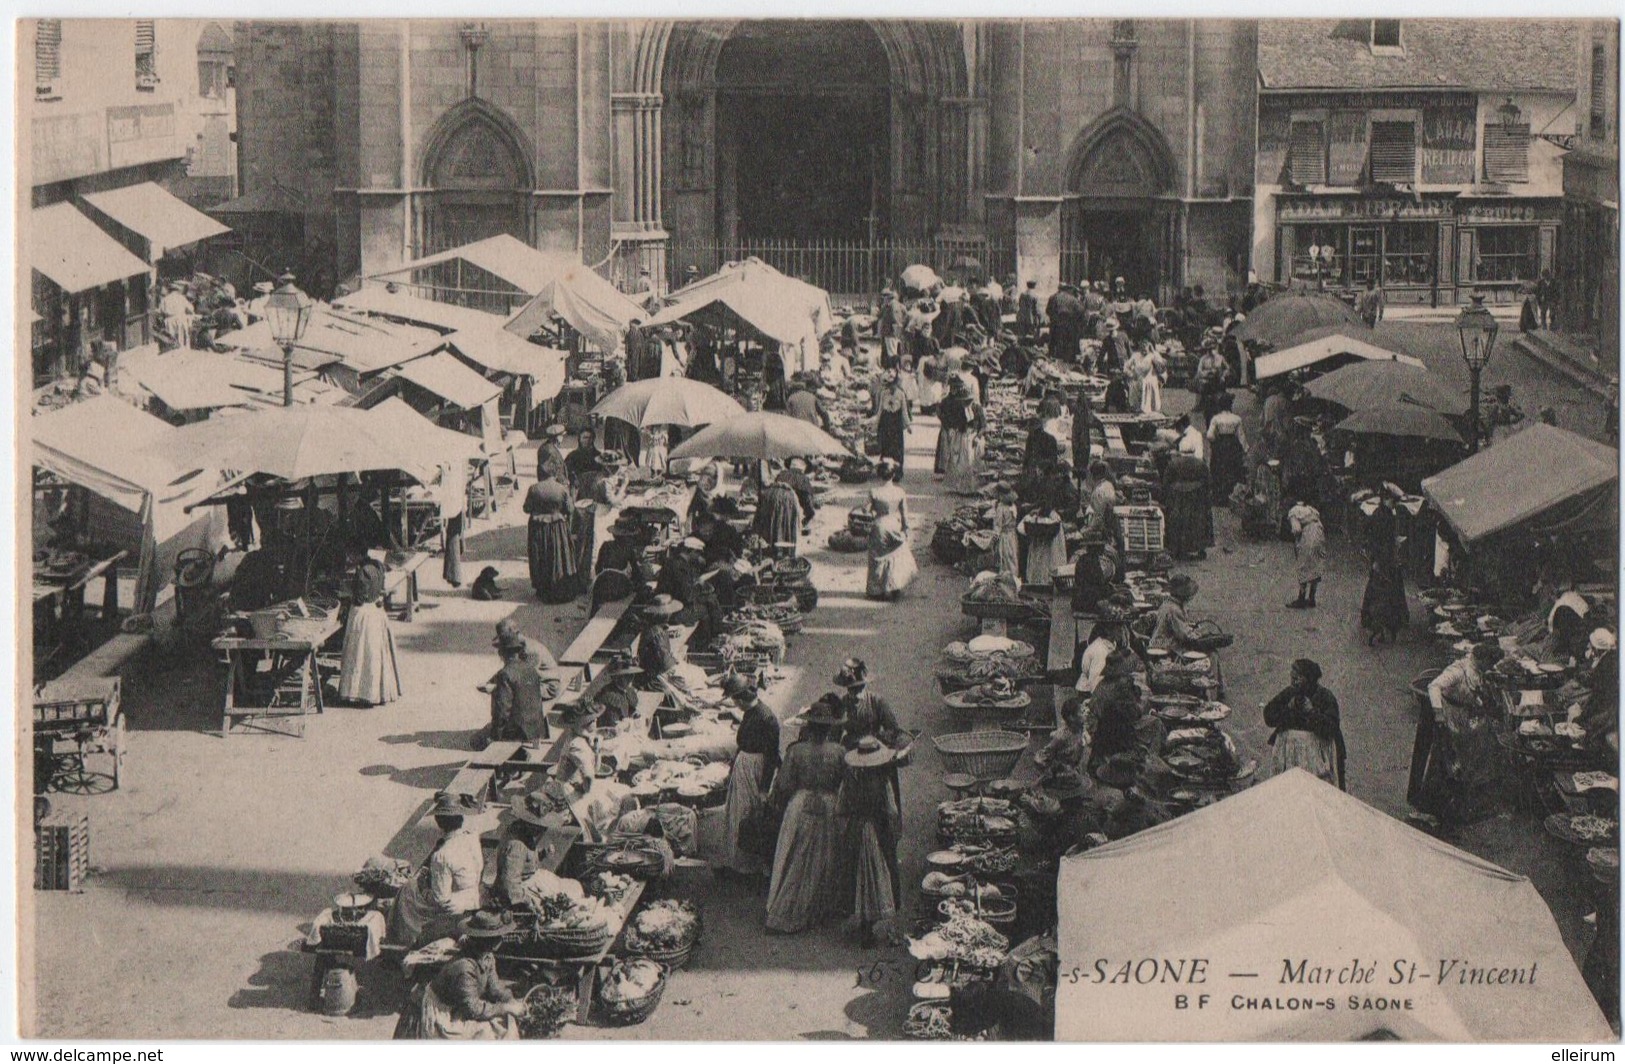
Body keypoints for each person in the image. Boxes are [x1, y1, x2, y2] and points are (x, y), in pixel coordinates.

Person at [765, 699, 847, 933]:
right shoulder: (839, 752)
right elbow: (845, 783)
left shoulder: (796, 751)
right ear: (830, 727)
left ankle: (788, 908)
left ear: (809, 727)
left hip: (800, 804)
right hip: (830, 805)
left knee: (795, 854)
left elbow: (784, 784)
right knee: (826, 856)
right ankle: (819, 908)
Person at [1412, 643, 1505, 830]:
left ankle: (1455, 807)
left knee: (1464, 762)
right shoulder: (1459, 670)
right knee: (1445, 763)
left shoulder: (1477, 672)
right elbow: (1434, 686)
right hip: (1449, 716)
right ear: (1482, 659)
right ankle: (1432, 810)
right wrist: (1439, 714)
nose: (1490, 668)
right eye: (1489, 664)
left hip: (1461, 718)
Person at [395, 910, 523, 1039]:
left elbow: (495, 988)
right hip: (443, 1013)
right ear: (489, 940)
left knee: (503, 1021)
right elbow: (473, 1009)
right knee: (487, 1031)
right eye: (497, 936)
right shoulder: (465, 966)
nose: (501, 939)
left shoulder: (487, 957)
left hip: (460, 1004)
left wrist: (510, 1000)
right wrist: (506, 1008)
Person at [386, 793, 484, 948]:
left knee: (407, 890)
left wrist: (424, 886)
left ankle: (408, 939)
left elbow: (441, 900)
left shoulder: (442, 855)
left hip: (456, 907)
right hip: (473, 894)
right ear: (461, 818)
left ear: (439, 822)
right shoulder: (472, 836)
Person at [838, 736, 901, 947]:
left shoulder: (849, 779)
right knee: (879, 872)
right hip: (878, 829)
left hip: (856, 828)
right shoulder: (882, 780)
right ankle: (873, 920)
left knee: (859, 874)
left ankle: (863, 921)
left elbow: (841, 807)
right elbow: (892, 810)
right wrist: (894, 832)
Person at [720, 674, 782, 879]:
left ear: (741, 698)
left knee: (749, 815)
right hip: (744, 768)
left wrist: (764, 788)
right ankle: (739, 864)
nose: (734, 704)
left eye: (735, 700)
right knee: (737, 813)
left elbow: (772, 756)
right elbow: (741, 745)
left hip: (755, 770)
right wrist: (732, 769)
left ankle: (752, 866)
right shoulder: (750, 713)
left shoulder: (767, 718)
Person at [1263, 659, 1346, 789]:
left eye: (1297, 678)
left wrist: (1312, 712)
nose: (1293, 682)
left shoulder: (1325, 697)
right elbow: (1269, 716)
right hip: (1292, 757)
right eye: (1292, 678)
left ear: (1309, 679)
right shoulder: (1290, 693)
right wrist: (1288, 709)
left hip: (1317, 758)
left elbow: (1331, 729)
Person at [338, 551, 402, 707]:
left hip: (363, 615)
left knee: (359, 655)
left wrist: (346, 594)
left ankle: (358, 693)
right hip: (376, 613)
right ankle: (375, 693)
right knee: (373, 656)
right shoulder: (379, 568)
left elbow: (359, 598)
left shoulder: (363, 572)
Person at [491, 792, 569, 909]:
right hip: (516, 892)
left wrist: (542, 854)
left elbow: (526, 859)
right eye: (540, 826)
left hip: (524, 882)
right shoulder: (517, 845)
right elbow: (510, 883)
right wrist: (528, 902)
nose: (543, 829)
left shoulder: (521, 831)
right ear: (530, 823)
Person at [484, 629, 559, 745]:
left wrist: (495, 735)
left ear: (501, 654)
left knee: (475, 741)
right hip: (538, 728)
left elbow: (502, 711)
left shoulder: (506, 673)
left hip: (520, 732)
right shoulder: (529, 667)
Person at [1086, 650, 1149, 770]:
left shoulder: (1102, 684)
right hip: (1114, 734)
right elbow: (1134, 713)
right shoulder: (1122, 685)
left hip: (1098, 733)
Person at [522, 467, 577, 603]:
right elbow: (569, 509)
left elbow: (526, 508)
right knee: (558, 556)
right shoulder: (561, 488)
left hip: (538, 529)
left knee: (541, 557)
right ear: (554, 474)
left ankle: (543, 588)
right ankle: (558, 586)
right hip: (557, 528)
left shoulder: (533, 488)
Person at [865, 459, 917, 601]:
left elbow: (866, 511)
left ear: (879, 475)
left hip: (879, 526)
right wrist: (906, 529)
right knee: (896, 556)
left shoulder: (874, 492)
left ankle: (878, 591)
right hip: (894, 525)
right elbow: (905, 514)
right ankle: (895, 587)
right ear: (893, 475)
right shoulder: (900, 492)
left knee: (878, 558)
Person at [1359, 498, 1409, 645]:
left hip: (1383, 562)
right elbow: (1381, 541)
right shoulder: (1385, 517)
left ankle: (1378, 625)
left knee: (1377, 593)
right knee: (1388, 594)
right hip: (1385, 562)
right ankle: (1388, 625)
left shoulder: (1379, 514)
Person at [1160, 449, 1213, 562]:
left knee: (1176, 522)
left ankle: (1176, 547)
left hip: (1177, 499)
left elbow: (1166, 482)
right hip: (1196, 499)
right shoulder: (1201, 464)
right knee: (1197, 522)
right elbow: (1208, 482)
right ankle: (1198, 547)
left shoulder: (1173, 463)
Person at [939, 375, 986, 495]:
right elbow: (954, 423)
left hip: (974, 437)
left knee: (973, 463)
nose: (966, 404)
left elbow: (983, 426)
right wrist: (953, 432)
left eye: (967, 401)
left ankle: (974, 488)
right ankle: (961, 487)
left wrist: (978, 437)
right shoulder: (960, 409)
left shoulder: (978, 409)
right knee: (959, 463)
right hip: (961, 437)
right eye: (964, 402)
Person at [1205, 393, 1248, 502]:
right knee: (1232, 468)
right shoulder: (1236, 419)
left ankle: (1219, 496)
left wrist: (1216, 442)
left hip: (1220, 445)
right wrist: (1246, 449)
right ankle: (1231, 494)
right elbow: (1241, 436)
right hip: (1232, 445)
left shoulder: (1216, 419)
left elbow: (1209, 435)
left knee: (1219, 468)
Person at [1285, 500, 1327, 609]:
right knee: (1315, 565)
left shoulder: (1293, 512)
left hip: (1309, 535)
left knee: (1303, 565)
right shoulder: (1311, 509)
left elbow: (1297, 529)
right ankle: (1312, 597)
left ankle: (1301, 598)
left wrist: (1295, 538)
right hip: (1319, 534)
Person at [1035, 696, 1089, 780]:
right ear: (1071, 717)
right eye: (1081, 712)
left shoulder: (1080, 729)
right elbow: (1041, 758)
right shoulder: (1062, 736)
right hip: (1063, 777)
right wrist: (1056, 769)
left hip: (1077, 774)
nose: (1085, 713)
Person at [1149, 574, 1205, 653]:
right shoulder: (1174, 609)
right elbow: (1184, 634)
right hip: (1164, 646)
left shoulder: (1168, 603)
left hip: (1160, 641)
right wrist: (1199, 635)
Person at [871, 368, 912, 476]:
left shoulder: (901, 394)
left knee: (897, 448)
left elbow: (904, 410)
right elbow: (880, 410)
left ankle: (897, 472)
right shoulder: (883, 393)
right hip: (886, 421)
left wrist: (908, 425)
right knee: (886, 447)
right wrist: (875, 425)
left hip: (896, 423)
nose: (892, 388)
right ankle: (885, 471)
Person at [753, 467, 804, 554]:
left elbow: (757, 519)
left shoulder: (767, 494)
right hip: (787, 544)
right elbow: (796, 521)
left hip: (767, 543)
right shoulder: (793, 496)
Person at [634, 595, 683, 683]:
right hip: (653, 677)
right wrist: (674, 660)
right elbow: (665, 663)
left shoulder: (654, 627)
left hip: (656, 669)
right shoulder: (657, 634)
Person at [592, 656, 643, 728]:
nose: (630, 679)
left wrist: (634, 713)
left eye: (632, 675)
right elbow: (611, 721)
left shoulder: (628, 690)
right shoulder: (608, 693)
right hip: (608, 729)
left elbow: (628, 706)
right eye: (627, 676)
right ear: (617, 677)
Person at [562, 428, 603, 497]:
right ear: (579, 439)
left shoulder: (599, 456)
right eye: (585, 438)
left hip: (595, 490)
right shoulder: (572, 456)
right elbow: (565, 471)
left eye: (590, 438)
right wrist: (573, 479)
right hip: (578, 490)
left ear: (593, 439)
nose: (587, 440)